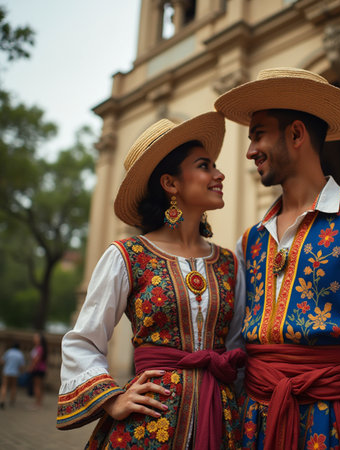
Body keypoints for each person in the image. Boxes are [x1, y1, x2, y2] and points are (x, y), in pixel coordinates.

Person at [214, 68, 340, 449]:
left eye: (258, 134)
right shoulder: (252, 240)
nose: (250, 151)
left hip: (331, 425)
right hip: (255, 424)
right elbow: (237, 344)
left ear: (296, 134)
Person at [56, 111, 246, 449]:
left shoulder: (229, 263)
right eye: (205, 166)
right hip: (149, 426)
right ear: (171, 183)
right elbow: (83, 340)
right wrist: (112, 400)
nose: (220, 174)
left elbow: (236, 347)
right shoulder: (127, 255)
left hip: (221, 422)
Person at [0, 342, 26, 408]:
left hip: (6, 371)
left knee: (4, 386)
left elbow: (2, 361)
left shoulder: (8, 352)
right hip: (15, 373)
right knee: (13, 386)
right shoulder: (20, 354)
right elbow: (22, 366)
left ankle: (2, 400)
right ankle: (12, 400)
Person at [29, 332, 47, 409]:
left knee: (37, 386)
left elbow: (37, 359)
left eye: (36, 337)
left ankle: (37, 403)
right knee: (39, 386)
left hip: (38, 369)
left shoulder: (39, 348)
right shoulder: (39, 347)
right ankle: (39, 402)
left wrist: (31, 367)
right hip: (41, 369)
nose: (34, 338)